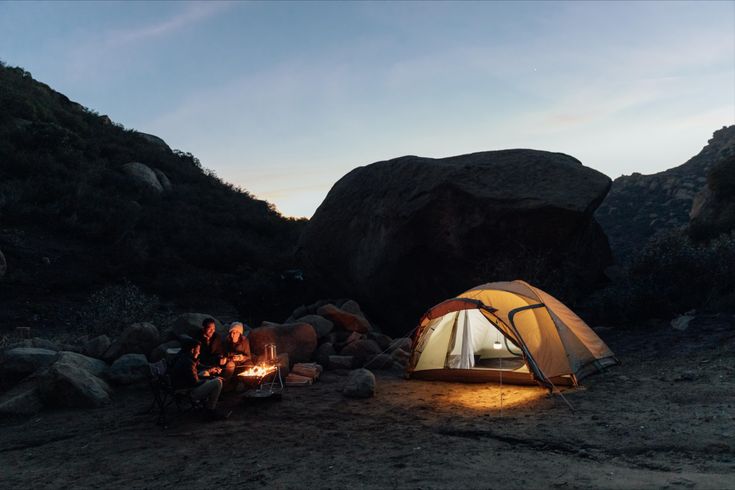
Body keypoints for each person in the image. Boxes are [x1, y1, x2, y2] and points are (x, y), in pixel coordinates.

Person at [169, 337, 230, 420]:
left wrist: (210, 371)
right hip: (187, 392)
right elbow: (195, 382)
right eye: (198, 350)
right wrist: (212, 378)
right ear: (192, 350)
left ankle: (206, 406)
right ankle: (210, 411)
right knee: (218, 382)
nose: (199, 352)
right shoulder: (188, 363)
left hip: (183, 386)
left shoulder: (185, 357)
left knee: (205, 373)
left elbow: (194, 375)